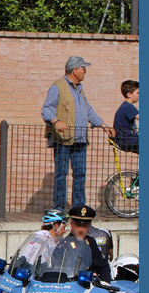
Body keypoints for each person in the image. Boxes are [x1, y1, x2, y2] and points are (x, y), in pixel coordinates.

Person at [41, 56, 115, 210]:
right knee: (61, 176)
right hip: (63, 140)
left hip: (80, 139)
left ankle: (79, 209)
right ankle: (59, 209)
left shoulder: (80, 89)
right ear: (75, 70)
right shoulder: (58, 86)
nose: (85, 72)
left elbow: (88, 110)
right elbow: (46, 109)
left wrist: (103, 125)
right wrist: (56, 121)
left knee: (80, 175)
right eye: (83, 68)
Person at [67, 205, 111, 281]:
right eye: (78, 225)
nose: (81, 230)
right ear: (71, 225)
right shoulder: (64, 245)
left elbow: (103, 267)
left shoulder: (91, 242)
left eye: (85, 226)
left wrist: (105, 283)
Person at [112, 79, 139, 153]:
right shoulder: (127, 106)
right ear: (129, 94)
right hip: (127, 141)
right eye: (138, 93)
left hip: (128, 140)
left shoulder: (126, 106)